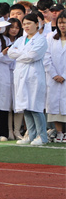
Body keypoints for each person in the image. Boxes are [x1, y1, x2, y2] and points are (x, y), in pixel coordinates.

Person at [7, 13, 49, 146]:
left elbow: (33, 56)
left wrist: (19, 54)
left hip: (34, 76)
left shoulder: (41, 40)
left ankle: (42, 136)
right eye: (24, 24)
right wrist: (22, 54)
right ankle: (30, 135)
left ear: (37, 24)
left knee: (35, 107)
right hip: (20, 76)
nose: (26, 26)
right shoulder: (20, 40)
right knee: (26, 107)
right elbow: (10, 53)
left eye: (29, 23)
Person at [46, 13, 66, 143]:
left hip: (64, 78)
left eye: (64, 22)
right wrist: (54, 74)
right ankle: (59, 133)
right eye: (60, 23)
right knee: (55, 108)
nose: (62, 25)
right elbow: (46, 57)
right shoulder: (51, 37)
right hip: (53, 79)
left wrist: (64, 76)